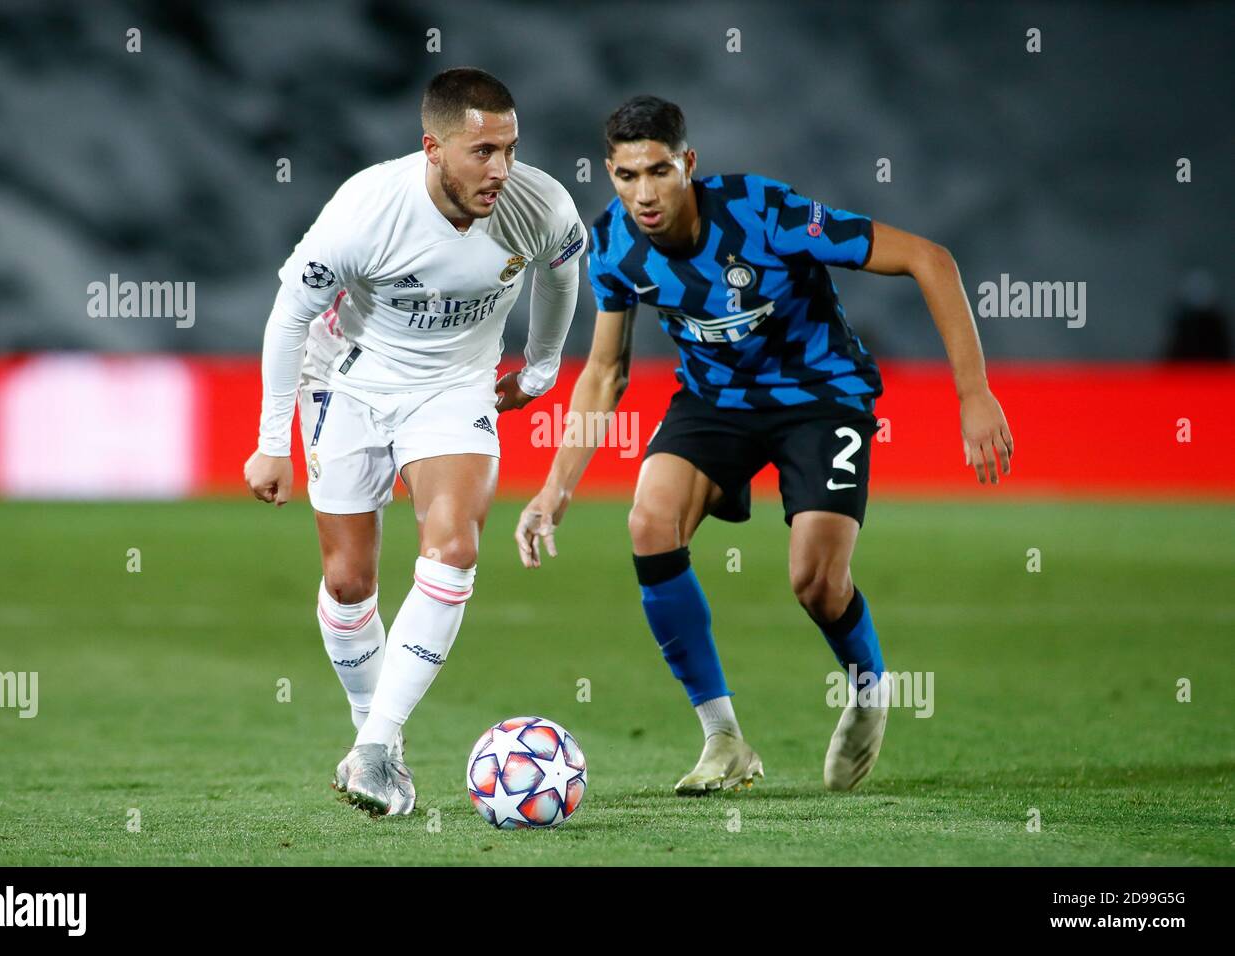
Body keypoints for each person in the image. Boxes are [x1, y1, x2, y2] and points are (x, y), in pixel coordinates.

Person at [515, 95, 1013, 794]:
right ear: (611, 173)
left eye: (659, 171)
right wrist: (555, 486)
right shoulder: (613, 248)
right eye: (627, 176)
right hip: (715, 404)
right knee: (649, 523)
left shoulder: (764, 213)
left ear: (688, 164)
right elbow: (605, 371)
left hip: (819, 396)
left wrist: (973, 394)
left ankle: (869, 689)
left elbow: (929, 259)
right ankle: (723, 739)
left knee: (815, 582)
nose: (645, 193)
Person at [245, 68, 584, 815]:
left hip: (455, 390)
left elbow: (562, 272)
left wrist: (541, 367)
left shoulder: (541, 204)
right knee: (348, 582)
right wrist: (273, 442)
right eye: (483, 151)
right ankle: (376, 738)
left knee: (454, 547)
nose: (501, 169)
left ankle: (374, 748)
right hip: (349, 382)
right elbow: (287, 317)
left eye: (511, 149)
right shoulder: (366, 210)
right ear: (433, 148)